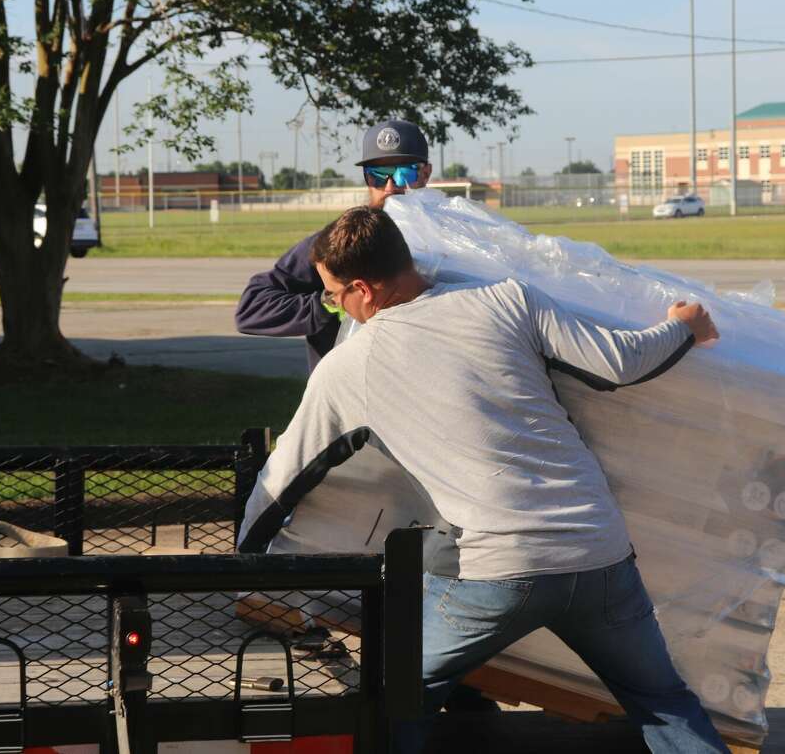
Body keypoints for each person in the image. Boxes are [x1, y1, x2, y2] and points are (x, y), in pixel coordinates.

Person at [237, 206, 730, 754]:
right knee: (662, 703)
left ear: (363, 290)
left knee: (394, 696)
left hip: (497, 573)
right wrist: (684, 325)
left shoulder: (350, 367)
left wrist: (246, 562)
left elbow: (283, 480)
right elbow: (618, 362)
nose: (335, 307)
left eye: (334, 296)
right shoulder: (506, 298)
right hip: (600, 555)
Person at [235, 119, 434, 371]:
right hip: (346, 396)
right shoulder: (339, 244)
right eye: (377, 175)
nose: (390, 186)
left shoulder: (448, 242)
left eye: (404, 172)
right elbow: (252, 309)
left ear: (426, 174)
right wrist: (330, 302)